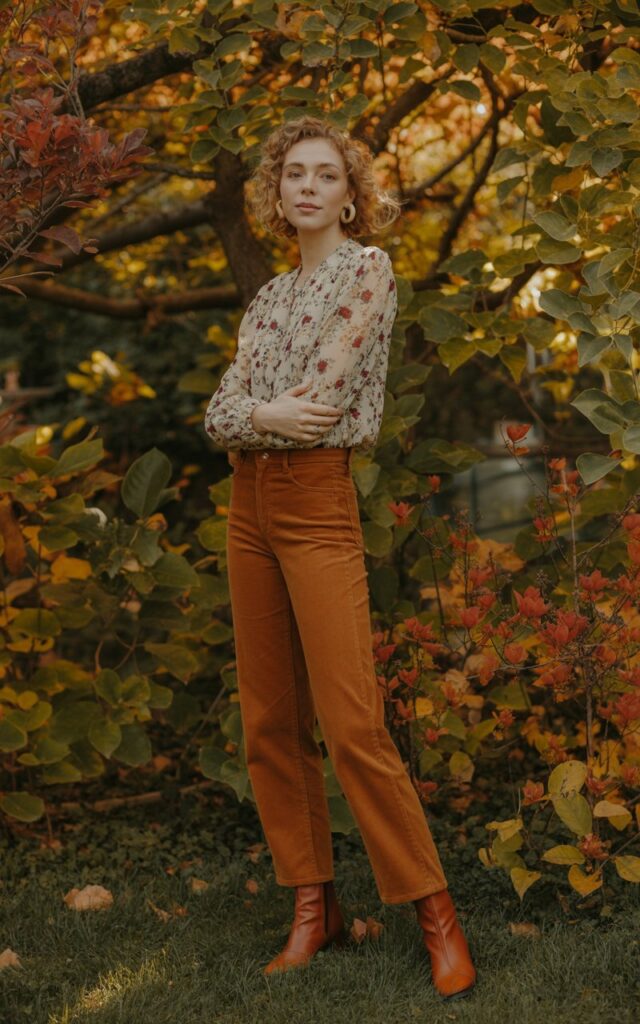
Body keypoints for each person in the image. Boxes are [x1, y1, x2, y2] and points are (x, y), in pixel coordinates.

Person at [204, 115, 477, 1000]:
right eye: (295, 174)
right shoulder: (268, 299)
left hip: (317, 502)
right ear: (278, 194)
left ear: (351, 197)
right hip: (249, 504)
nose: (309, 186)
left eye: (326, 175)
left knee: (353, 722)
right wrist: (259, 417)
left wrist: (263, 413)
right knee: (268, 722)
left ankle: (434, 913)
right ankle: (311, 909)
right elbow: (220, 413)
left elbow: (316, 403)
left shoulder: (367, 273)